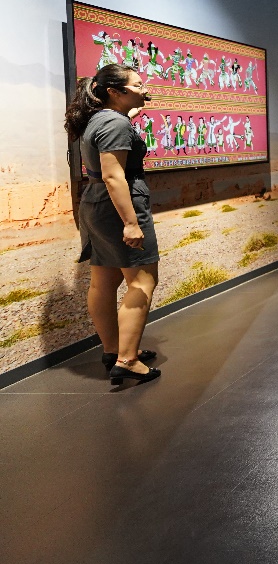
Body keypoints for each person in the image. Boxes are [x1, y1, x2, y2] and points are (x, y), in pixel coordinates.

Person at [64, 64, 161, 385]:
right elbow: (113, 175)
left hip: (96, 205)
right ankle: (128, 360)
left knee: (103, 282)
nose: (145, 89)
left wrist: (127, 117)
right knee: (142, 281)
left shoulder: (100, 119)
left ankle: (113, 349)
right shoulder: (115, 123)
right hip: (118, 207)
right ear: (115, 92)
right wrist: (131, 223)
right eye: (138, 85)